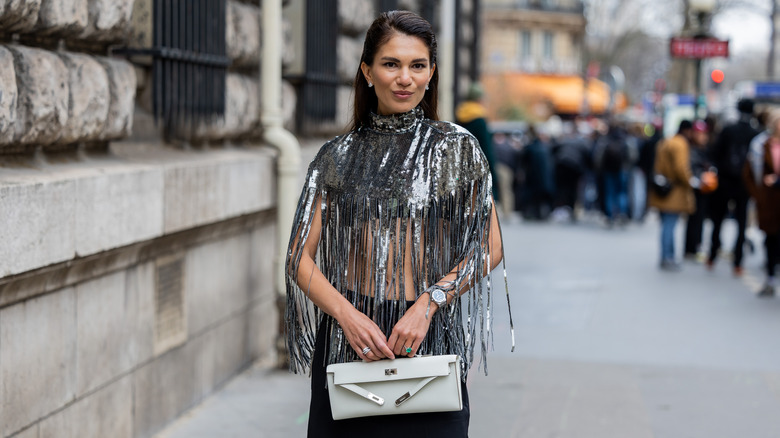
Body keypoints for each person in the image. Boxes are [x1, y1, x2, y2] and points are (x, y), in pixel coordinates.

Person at [284, 11, 511, 437]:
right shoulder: (337, 156)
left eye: (417, 65)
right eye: (391, 64)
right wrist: (348, 316)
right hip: (351, 338)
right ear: (368, 72)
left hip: (427, 334)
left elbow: (490, 246)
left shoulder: (457, 149)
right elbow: (300, 258)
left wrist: (429, 303)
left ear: (431, 72)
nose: (405, 78)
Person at [706, 99, 760, 276]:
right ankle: (738, 262)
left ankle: (712, 254)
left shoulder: (728, 130)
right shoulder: (755, 133)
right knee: (741, 223)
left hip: (724, 181)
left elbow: (714, 153)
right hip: (743, 185)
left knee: (718, 220)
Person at [648, 120, 696, 271]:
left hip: (663, 187)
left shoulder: (665, 141)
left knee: (666, 224)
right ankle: (668, 257)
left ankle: (666, 256)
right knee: (670, 225)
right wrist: (691, 181)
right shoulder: (680, 144)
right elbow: (681, 168)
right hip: (674, 190)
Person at [744, 110, 780, 297]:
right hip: (768, 201)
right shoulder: (760, 145)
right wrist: (758, 195)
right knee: (771, 239)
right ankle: (770, 277)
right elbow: (749, 173)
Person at [456, 83, 500, 202]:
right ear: (479, 99)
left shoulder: (459, 115)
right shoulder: (479, 120)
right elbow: (486, 149)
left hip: (461, 167)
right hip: (479, 169)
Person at [683, 120, 714, 259]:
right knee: (694, 219)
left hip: (704, 187)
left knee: (699, 219)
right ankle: (691, 247)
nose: (702, 137)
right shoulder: (690, 149)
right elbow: (689, 168)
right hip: (695, 186)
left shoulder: (706, 149)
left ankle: (695, 246)